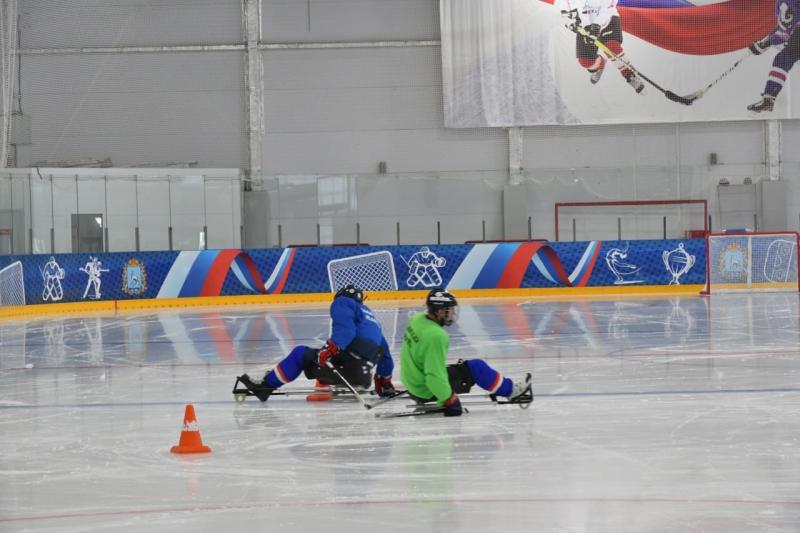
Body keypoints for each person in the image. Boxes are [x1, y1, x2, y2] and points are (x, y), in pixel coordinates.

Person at [237, 284, 395, 401]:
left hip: (346, 371)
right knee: (325, 356)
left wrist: (331, 348)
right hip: (363, 378)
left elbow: (346, 330)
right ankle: (326, 384)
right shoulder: (372, 320)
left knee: (301, 354)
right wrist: (384, 382)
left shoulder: (343, 302)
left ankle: (265, 387)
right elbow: (385, 355)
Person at [400, 289, 532, 417]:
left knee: (466, 367)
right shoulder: (436, 336)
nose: (452, 313)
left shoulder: (418, 319)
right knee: (477, 367)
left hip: (413, 381)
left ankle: (503, 387)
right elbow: (433, 375)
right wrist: (449, 400)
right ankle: (512, 391)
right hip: (425, 389)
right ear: (439, 311)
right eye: (449, 310)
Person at [558, 0, 646, 94]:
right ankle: (601, 63)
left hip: (607, 20)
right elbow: (562, 5)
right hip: (584, 25)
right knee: (585, 61)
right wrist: (568, 20)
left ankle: (629, 74)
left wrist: (597, 25)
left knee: (611, 46)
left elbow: (609, 7)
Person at [747, 0, 800, 113]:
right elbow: (784, 33)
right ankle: (768, 99)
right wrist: (765, 44)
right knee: (782, 59)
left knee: (784, 58)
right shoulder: (780, 4)